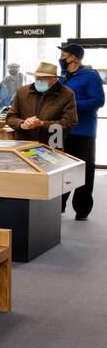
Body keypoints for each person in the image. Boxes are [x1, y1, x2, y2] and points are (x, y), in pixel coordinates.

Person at [58, 43, 104, 220]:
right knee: (60, 171)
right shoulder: (63, 76)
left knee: (84, 171)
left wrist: (72, 106)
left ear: (74, 57)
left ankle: (82, 210)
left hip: (83, 131)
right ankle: (58, 206)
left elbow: (98, 101)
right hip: (62, 130)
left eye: (64, 55)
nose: (61, 58)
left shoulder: (90, 76)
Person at [5, 61, 77, 144]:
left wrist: (42, 124)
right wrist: (22, 124)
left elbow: (69, 123)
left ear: (55, 78)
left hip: (53, 144)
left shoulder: (67, 94)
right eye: (37, 77)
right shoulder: (23, 92)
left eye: (44, 78)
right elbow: (10, 117)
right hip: (24, 143)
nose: (39, 80)